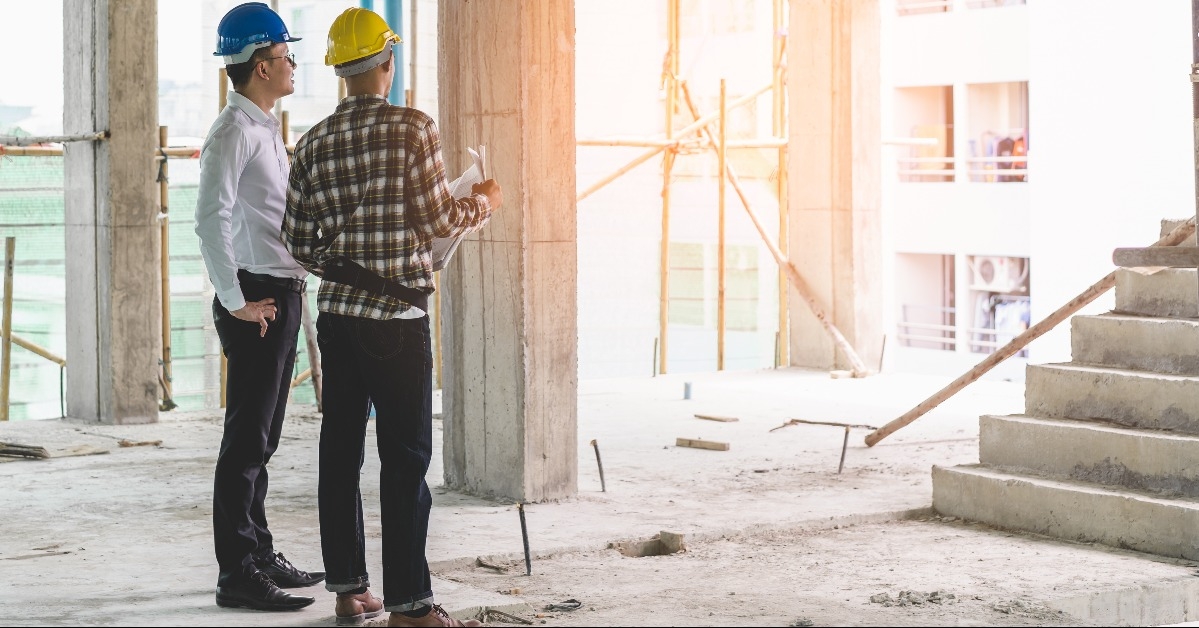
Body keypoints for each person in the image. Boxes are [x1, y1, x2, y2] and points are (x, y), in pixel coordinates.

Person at [282, 7, 502, 627]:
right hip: (398, 324)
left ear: (339, 72)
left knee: (340, 453)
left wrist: (344, 262)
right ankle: (409, 603)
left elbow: (297, 242)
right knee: (404, 459)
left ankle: (350, 591)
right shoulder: (414, 129)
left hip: (337, 322)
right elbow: (436, 221)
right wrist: (482, 203)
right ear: (388, 63)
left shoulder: (312, 143)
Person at [196, 1, 323, 612]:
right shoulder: (233, 134)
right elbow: (209, 220)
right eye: (284, 55)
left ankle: (258, 551)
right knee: (246, 440)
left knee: (264, 436)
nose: (292, 62)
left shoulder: (264, 128)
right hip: (258, 297)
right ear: (262, 66)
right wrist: (236, 300)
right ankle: (237, 575)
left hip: (281, 291)